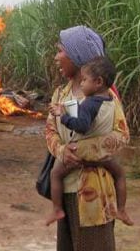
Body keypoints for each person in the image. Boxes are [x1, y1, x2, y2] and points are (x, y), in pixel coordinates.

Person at [45, 26, 130, 251]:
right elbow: (49, 131)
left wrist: (84, 152)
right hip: (67, 185)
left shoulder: (106, 95)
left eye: (61, 51)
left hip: (94, 190)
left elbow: (121, 135)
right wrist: (61, 151)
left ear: (78, 56)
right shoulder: (60, 95)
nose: (57, 58)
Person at [47, 56, 132, 226]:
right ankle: (121, 209)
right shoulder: (108, 99)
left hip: (81, 153)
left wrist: (63, 116)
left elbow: (83, 125)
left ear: (98, 82)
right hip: (103, 156)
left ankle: (56, 209)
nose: (82, 83)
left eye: (85, 80)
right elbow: (52, 129)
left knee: (55, 173)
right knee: (120, 173)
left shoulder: (89, 103)